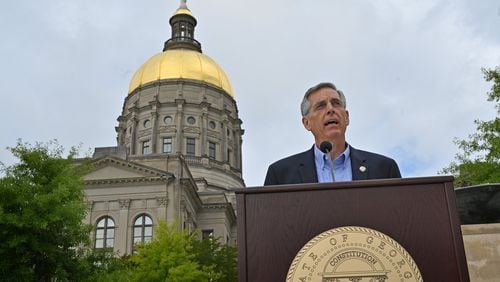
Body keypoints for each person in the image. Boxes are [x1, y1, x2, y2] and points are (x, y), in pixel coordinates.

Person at [264, 82, 401, 186]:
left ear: (346, 117)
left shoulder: (384, 169)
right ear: (306, 123)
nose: (331, 109)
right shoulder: (281, 175)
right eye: (321, 106)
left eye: (336, 103)